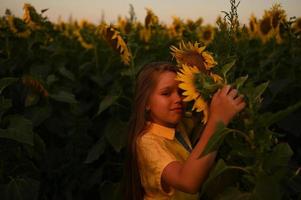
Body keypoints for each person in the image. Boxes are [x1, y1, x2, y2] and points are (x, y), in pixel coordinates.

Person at [124, 61, 246, 200]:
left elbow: (203, 116)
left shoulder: (179, 123)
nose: (178, 98)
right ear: (146, 103)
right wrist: (218, 120)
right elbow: (187, 182)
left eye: (182, 91)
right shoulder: (147, 142)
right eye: (166, 93)